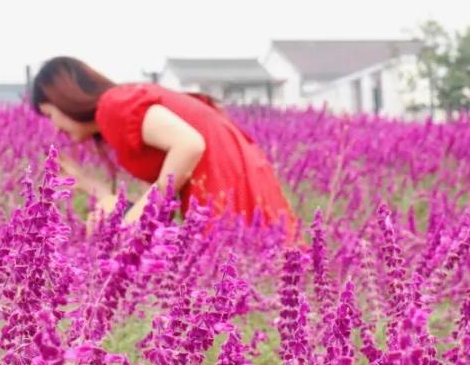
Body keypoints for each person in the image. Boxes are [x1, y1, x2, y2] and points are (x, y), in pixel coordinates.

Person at [30, 56, 297, 240]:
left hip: (228, 194)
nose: (55, 127)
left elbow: (189, 145)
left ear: (65, 98)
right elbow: (168, 183)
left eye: (50, 114)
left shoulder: (113, 106)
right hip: (233, 187)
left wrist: (131, 220)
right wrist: (93, 187)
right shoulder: (116, 107)